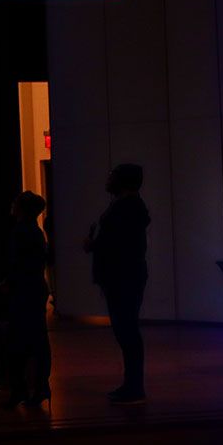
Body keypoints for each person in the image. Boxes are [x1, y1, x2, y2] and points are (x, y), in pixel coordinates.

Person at [83, 163, 150, 404]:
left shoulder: (126, 208)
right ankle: (132, 384)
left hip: (123, 277)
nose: (108, 179)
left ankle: (134, 386)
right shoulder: (131, 206)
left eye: (112, 176)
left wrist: (94, 245)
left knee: (126, 331)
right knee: (126, 330)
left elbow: (117, 244)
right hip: (125, 276)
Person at [2, 191, 51, 409]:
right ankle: (39, 388)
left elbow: (19, 265)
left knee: (19, 343)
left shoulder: (21, 233)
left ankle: (22, 389)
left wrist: (9, 283)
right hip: (34, 289)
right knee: (37, 341)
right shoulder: (36, 232)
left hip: (24, 292)